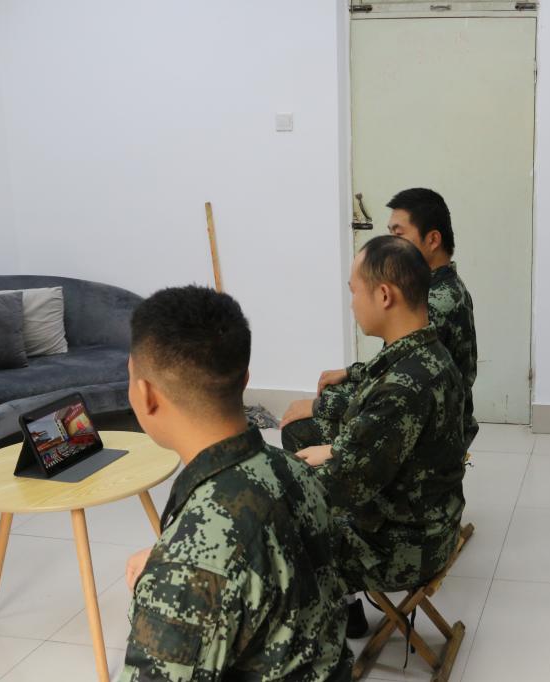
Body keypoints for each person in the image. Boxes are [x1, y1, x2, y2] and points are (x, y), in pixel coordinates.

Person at [119, 286, 352, 681]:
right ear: (245, 379)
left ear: (146, 395)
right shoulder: (293, 469)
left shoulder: (189, 570)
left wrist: (171, 576)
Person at [286, 235, 466, 597]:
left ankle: (328, 628)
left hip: (400, 548)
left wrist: (267, 482)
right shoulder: (429, 354)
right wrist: (335, 450)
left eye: (354, 291)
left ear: (384, 295)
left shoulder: (403, 388)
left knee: (277, 539)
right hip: (431, 524)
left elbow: (335, 487)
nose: (352, 303)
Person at [282, 188, 478, 451]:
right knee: (335, 387)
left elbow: (403, 386)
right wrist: (351, 372)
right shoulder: (440, 286)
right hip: (428, 407)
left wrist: (319, 407)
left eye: (399, 234)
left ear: (432, 240)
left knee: (299, 428)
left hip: (432, 427)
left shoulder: (434, 303)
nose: (391, 245)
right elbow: (396, 362)